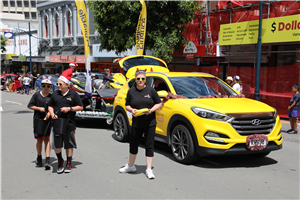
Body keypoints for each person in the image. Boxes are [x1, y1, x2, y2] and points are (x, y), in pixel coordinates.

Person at [119, 70, 162, 179]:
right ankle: (130, 166)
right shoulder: (131, 91)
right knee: (133, 144)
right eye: (138, 79)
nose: (140, 81)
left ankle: (148, 169)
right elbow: (127, 105)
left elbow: (159, 103)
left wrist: (151, 110)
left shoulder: (151, 91)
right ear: (135, 79)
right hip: (136, 123)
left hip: (150, 122)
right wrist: (132, 110)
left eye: (143, 79)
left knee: (149, 145)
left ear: (145, 80)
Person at [48, 68, 83, 174]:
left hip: (69, 122)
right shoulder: (55, 94)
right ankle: (60, 160)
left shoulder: (73, 94)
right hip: (57, 122)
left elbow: (80, 107)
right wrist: (52, 113)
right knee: (57, 144)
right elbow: (50, 105)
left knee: (69, 143)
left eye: (60, 84)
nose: (58, 85)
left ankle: (68, 162)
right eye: (57, 83)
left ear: (67, 84)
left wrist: (70, 109)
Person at [28, 77, 52, 169]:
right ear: (41, 86)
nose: (46, 87)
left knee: (47, 139)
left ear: (50, 87)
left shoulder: (51, 97)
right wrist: (39, 108)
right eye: (44, 85)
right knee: (39, 140)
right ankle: (39, 157)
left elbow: (53, 107)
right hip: (38, 120)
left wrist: (48, 115)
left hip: (48, 121)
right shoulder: (36, 95)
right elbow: (30, 105)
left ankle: (48, 159)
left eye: (48, 86)